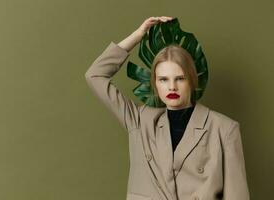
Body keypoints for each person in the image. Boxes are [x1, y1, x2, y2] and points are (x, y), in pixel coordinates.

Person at [85, 16, 250, 200]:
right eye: (163, 79)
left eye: (180, 78)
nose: (172, 87)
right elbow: (95, 75)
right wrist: (138, 35)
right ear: (154, 82)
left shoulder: (224, 129)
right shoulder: (140, 121)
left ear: (192, 80)